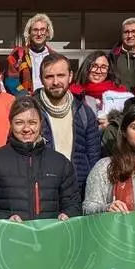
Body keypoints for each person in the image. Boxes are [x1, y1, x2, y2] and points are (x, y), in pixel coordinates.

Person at [0, 96, 81, 221]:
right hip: (9, 232)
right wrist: (6, 219)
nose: (26, 129)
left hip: (49, 232)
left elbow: (74, 204)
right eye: (19, 123)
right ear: (11, 124)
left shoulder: (60, 162)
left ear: (40, 123)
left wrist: (68, 214)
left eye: (32, 123)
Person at [34, 53, 102, 186]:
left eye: (61, 75)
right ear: (41, 79)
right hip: (42, 188)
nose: (55, 82)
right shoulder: (30, 111)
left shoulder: (84, 112)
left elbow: (94, 157)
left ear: (70, 76)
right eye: (49, 77)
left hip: (76, 188)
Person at [70, 51, 128, 128]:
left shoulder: (121, 94)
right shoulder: (72, 93)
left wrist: (113, 122)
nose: (98, 71)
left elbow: (128, 120)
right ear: (86, 67)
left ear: (109, 71)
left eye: (103, 67)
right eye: (94, 66)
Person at [5, 13, 55, 96]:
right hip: (26, 100)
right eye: (35, 30)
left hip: (49, 99)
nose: (39, 34)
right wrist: (23, 94)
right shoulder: (17, 54)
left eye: (43, 29)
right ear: (29, 32)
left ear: (47, 32)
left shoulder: (54, 57)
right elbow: (10, 80)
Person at [111, 17, 135, 90]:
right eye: (126, 32)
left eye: (134, 31)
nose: (130, 36)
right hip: (119, 96)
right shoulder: (112, 57)